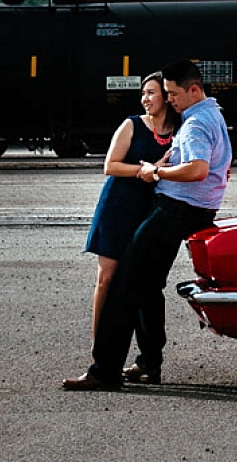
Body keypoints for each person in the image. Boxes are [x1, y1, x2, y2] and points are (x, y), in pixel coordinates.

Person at [63, 58, 232, 390]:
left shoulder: (196, 122)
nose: (170, 100)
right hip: (196, 207)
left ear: (193, 89)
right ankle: (148, 364)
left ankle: (104, 370)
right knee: (149, 284)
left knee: (125, 283)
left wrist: (157, 172)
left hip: (177, 207)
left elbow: (197, 169)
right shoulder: (213, 115)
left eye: (172, 93)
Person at [82, 72, 178, 337]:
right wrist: (149, 169)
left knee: (139, 282)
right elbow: (110, 166)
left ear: (168, 98)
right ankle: (97, 348)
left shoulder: (179, 131)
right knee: (107, 279)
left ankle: (141, 357)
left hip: (150, 212)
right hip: (118, 208)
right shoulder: (132, 125)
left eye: (151, 93)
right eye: (143, 93)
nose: (145, 99)